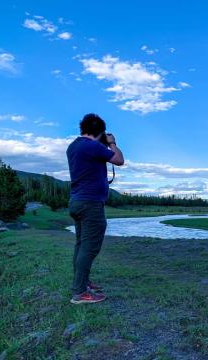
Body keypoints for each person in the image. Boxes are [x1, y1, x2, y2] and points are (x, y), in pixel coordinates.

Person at [66, 113, 124, 304]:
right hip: (90, 204)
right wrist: (112, 143)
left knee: (81, 244)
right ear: (100, 131)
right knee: (89, 248)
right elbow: (119, 160)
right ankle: (80, 292)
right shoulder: (92, 146)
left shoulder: (74, 145)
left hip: (77, 201)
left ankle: (81, 283)